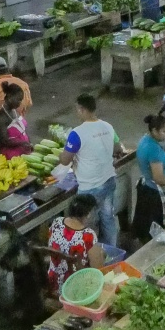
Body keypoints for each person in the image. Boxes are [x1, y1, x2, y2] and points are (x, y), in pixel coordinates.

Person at [58, 94, 120, 248]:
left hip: (90, 188)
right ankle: (112, 253)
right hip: (109, 180)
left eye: (77, 109)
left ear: (82, 109)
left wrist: (65, 154)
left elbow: (65, 160)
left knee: (87, 226)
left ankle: (91, 257)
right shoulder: (108, 126)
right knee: (108, 218)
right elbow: (117, 148)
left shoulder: (76, 133)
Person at [45, 193, 104, 294]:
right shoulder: (88, 235)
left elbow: (51, 244)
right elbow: (97, 270)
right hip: (74, 288)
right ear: (89, 214)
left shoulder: (57, 222)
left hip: (53, 280)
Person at [0, 82, 33, 158]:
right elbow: (5, 141)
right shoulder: (0, 118)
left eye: (21, 100)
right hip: (11, 155)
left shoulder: (13, 111)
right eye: (18, 100)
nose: (20, 103)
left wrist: (28, 142)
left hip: (23, 150)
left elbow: (23, 130)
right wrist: (23, 143)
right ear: (10, 97)